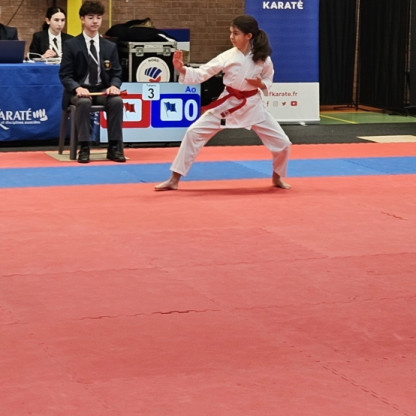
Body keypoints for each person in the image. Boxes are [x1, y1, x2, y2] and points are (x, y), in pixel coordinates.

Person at [155, 15, 291, 191]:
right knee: (193, 133)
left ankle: (277, 177)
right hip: (227, 104)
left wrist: (261, 84)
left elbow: (268, 78)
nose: (231, 37)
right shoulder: (228, 56)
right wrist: (182, 69)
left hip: (252, 105)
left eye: (236, 33)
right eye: (231, 33)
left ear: (248, 36)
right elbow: (203, 73)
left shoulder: (263, 58)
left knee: (283, 142)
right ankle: (174, 179)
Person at [59, 0, 126, 163]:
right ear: (82, 19)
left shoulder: (109, 46)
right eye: (90, 17)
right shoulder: (71, 45)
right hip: (80, 91)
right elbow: (65, 75)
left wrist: (114, 85)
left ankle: (114, 147)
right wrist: (77, 88)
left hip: (102, 90)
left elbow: (117, 72)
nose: (95, 21)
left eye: (98, 18)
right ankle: (84, 147)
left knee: (116, 101)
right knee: (83, 102)